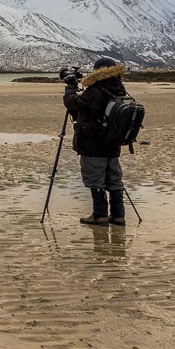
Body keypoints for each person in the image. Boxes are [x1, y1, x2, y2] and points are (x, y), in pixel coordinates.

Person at [63, 57, 129, 226]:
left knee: (96, 179)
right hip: (113, 143)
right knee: (114, 179)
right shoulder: (119, 89)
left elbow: (73, 103)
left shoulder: (96, 90)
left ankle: (99, 216)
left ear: (98, 71)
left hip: (93, 143)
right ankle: (118, 216)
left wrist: (70, 87)